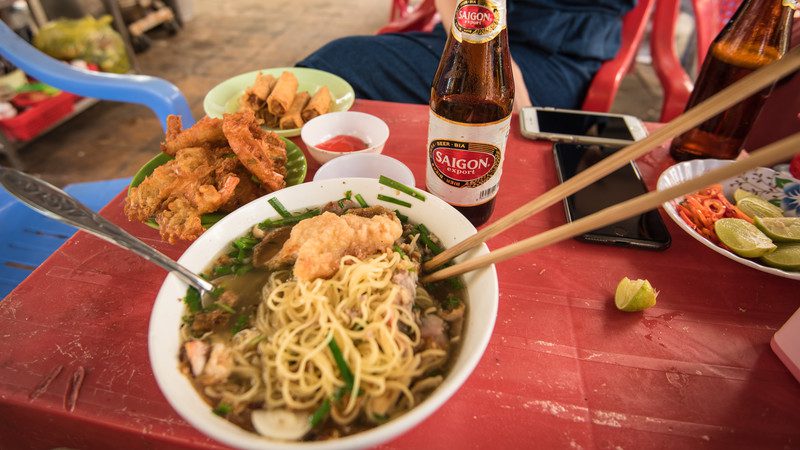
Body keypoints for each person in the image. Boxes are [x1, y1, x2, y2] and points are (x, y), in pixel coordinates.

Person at [297, 0, 636, 110]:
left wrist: (504, 70)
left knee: (335, 67)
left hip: (553, 52)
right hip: (468, 23)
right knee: (324, 73)